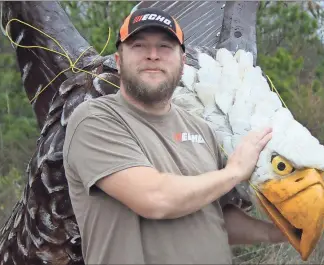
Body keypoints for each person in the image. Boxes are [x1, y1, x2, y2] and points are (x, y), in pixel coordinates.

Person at [63, 7, 286, 264]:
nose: (153, 55)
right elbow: (155, 198)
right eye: (138, 46)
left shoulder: (202, 129)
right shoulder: (94, 120)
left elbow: (212, 213)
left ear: (182, 63)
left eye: (165, 47)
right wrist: (234, 172)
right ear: (118, 60)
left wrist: (274, 232)